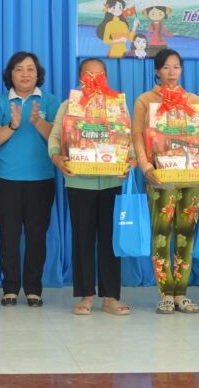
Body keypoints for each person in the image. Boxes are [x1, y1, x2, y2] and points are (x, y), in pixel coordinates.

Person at [133, 48, 199, 314]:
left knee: (186, 234)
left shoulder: (194, 101)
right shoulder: (145, 100)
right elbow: (136, 135)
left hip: (191, 177)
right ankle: (165, 293)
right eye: (166, 67)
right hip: (160, 177)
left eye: (176, 67)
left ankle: (181, 293)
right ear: (156, 71)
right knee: (161, 234)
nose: (171, 72)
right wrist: (146, 166)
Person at [48, 58, 133, 316]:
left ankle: (110, 297)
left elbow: (128, 138)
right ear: (80, 78)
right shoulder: (69, 106)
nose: (94, 79)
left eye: (99, 74)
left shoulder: (118, 105)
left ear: (106, 77)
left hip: (111, 181)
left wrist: (131, 160)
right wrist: (57, 158)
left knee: (110, 240)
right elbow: (55, 138)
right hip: (79, 181)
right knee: (82, 238)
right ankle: (86, 295)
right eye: (88, 74)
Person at [0, 52, 59, 307]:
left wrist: (38, 122)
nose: (25, 74)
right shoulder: (0, 102)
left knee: (37, 235)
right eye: (19, 69)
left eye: (30, 69)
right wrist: (13, 125)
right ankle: (10, 288)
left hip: (41, 179)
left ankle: (34, 288)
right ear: (10, 74)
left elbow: (59, 139)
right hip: (7, 179)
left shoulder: (51, 101)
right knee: (9, 235)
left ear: (38, 74)